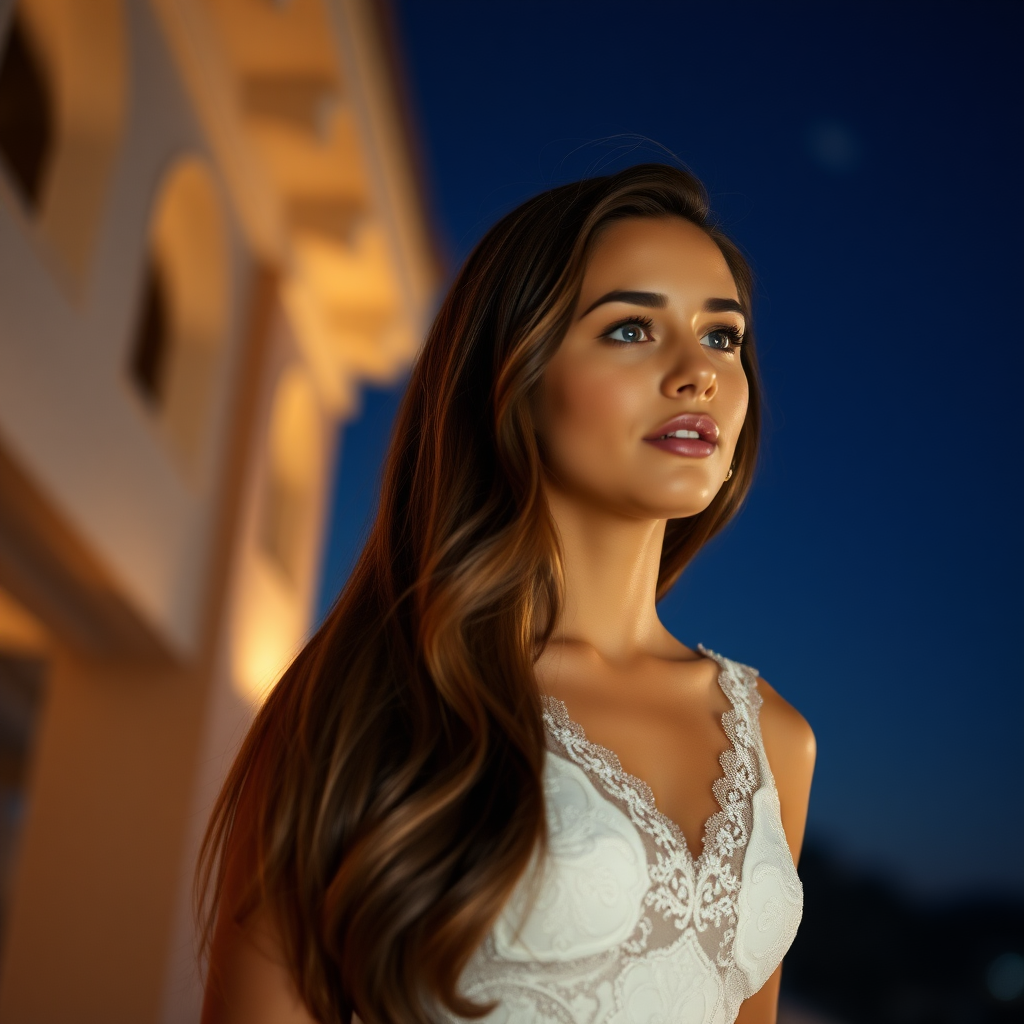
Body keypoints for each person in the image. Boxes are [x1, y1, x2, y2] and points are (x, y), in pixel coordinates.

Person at [196, 163, 816, 1024]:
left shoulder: (779, 739)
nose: (699, 373)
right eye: (632, 329)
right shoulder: (378, 694)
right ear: (517, 378)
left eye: (722, 337)